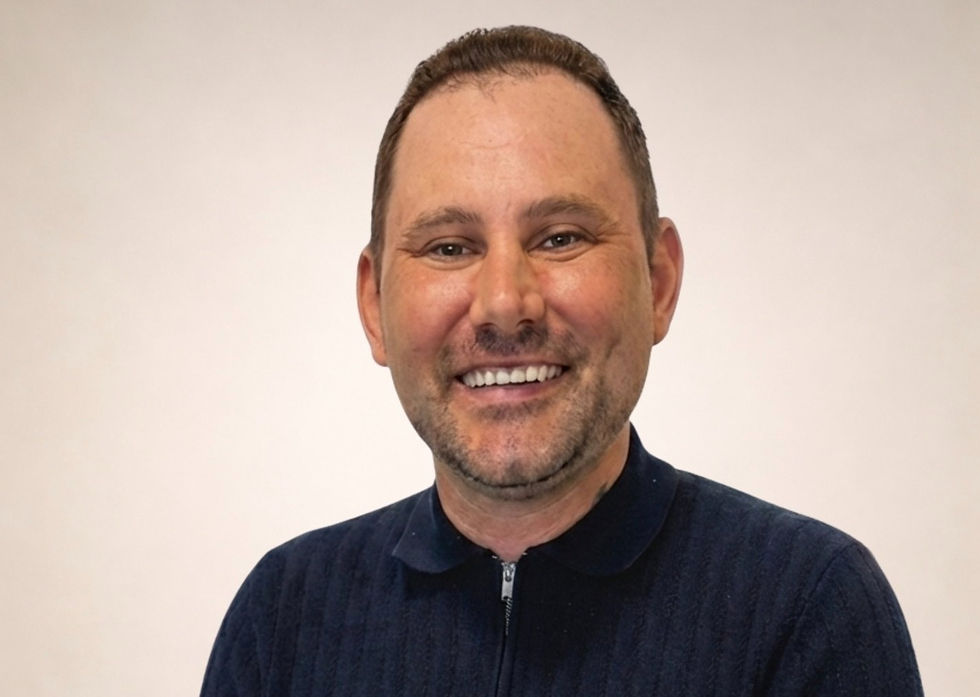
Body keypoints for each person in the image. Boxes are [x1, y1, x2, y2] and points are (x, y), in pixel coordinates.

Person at [201, 26, 922, 696]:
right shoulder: (282, 622)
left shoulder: (807, 609)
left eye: (561, 237)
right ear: (374, 304)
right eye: (449, 247)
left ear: (658, 281)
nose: (503, 303)